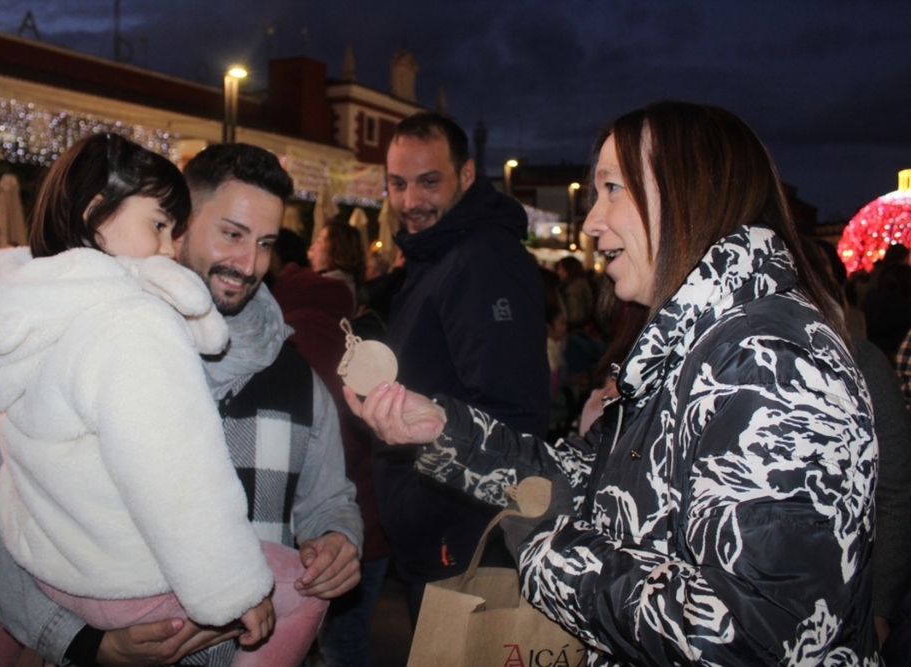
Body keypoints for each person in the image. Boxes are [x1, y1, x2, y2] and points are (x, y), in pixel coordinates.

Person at [348, 101, 878, 664]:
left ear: (684, 192)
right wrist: (443, 432)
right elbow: (590, 482)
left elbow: (746, 635)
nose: (593, 221)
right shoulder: (696, 345)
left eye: (612, 190)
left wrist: (547, 553)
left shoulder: (768, 361)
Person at [0, 141, 363, 667]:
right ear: (178, 226)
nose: (250, 262)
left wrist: (338, 541)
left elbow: (329, 502)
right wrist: (82, 642)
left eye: (266, 242)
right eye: (232, 234)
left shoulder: (296, 377)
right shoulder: (71, 344)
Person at [378, 111, 549, 621]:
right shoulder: (441, 254)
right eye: (398, 183)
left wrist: (421, 514)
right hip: (440, 540)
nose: (411, 201)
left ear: (467, 176)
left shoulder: (481, 260)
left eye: (429, 182)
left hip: (458, 547)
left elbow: (511, 418)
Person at [268, 231, 390, 667]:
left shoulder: (290, 346)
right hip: (366, 520)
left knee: (339, 644)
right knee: (343, 640)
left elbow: (315, 464)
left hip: (328, 535)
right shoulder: (349, 333)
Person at [307, 221, 366, 310]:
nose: (312, 247)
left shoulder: (330, 289)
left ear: (336, 249)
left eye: (319, 241)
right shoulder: (344, 283)